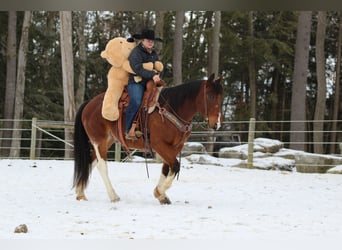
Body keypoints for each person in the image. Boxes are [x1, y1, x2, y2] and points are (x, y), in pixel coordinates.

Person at [125, 28, 163, 140]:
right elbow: (137, 68)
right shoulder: (136, 52)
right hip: (137, 81)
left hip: (150, 82)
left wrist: (158, 74)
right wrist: (152, 74)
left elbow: (157, 65)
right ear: (142, 40)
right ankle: (128, 129)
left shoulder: (154, 53)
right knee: (136, 101)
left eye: (152, 41)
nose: (151, 42)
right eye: (148, 40)